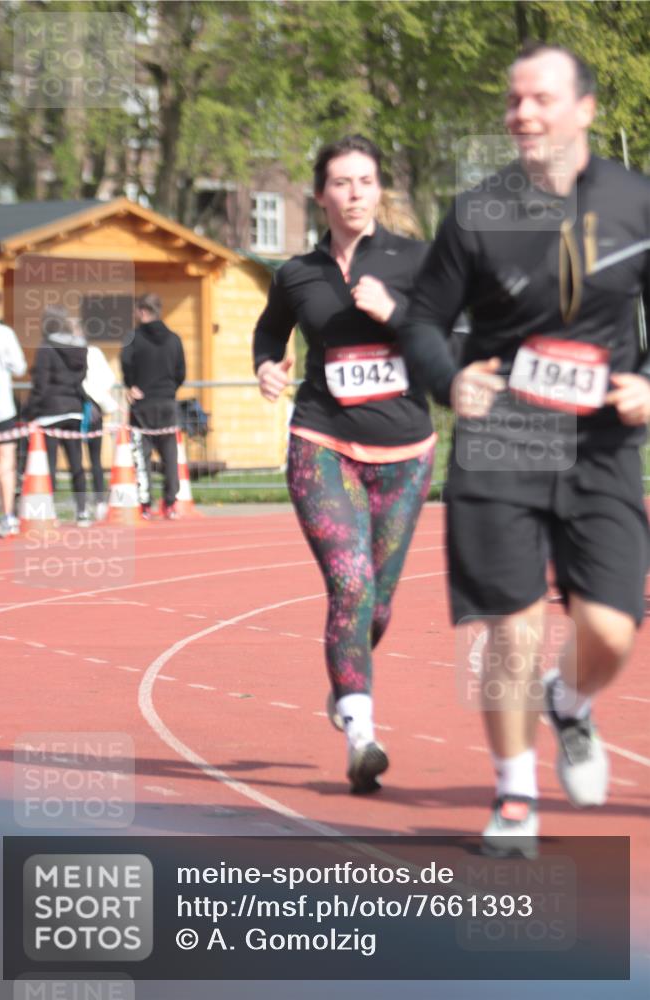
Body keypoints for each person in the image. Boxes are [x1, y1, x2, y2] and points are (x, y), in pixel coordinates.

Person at [398, 43, 650, 856]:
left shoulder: (634, 203)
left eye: (539, 99)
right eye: (512, 102)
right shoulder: (477, 213)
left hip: (601, 442)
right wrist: (448, 379)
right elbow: (419, 320)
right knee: (509, 629)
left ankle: (568, 704)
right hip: (503, 431)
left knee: (610, 630)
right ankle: (513, 795)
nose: (522, 115)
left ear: (584, 109)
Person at [253, 135, 436, 794]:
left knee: (377, 607)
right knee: (351, 586)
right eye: (342, 182)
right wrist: (265, 367)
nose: (354, 193)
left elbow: (460, 337)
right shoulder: (295, 273)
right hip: (321, 443)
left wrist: (401, 314)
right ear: (321, 194)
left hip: (406, 454)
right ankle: (360, 731)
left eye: (365, 181)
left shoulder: (417, 260)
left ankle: (344, 679)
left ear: (378, 189)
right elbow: (270, 330)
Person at [121, 293, 186, 520]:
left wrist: (131, 385)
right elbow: (181, 373)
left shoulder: (133, 338)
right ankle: (170, 503)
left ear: (142, 311)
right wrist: (168, 391)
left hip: (143, 404)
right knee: (170, 456)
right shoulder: (174, 339)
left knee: (142, 455)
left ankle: (145, 504)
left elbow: (126, 365)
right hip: (167, 403)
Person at [24, 306, 90, 525]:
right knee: (76, 464)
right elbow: (81, 377)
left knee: (49, 464)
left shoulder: (45, 348)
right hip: (74, 409)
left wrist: (28, 412)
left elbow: (40, 385)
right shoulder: (80, 349)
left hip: (50, 412)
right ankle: (82, 511)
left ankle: (49, 512)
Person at [0, 285, 27, 536]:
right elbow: (19, 366)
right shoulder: (3, 333)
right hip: (1, 408)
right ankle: (8, 516)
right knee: (6, 464)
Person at [81, 331, 119, 520]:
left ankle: (87, 506)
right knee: (93, 459)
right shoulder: (95, 352)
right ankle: (98, 503)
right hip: (93, 408)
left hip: (83, 407)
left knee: (82, 459)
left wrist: (92, 395)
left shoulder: (88, 352)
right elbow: (109, 378)